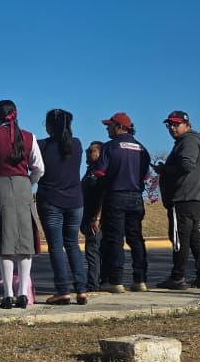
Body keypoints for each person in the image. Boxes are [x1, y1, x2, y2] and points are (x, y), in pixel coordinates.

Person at [0, 99, 45, 309]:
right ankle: (23, 293)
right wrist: (28, 182)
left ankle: (7, 295)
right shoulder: (29, 136)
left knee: (5, 243)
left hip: (1, 185)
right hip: (23, 185)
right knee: (25, 244)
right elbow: (39, 168)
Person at [93, 112, 151, 292]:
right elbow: (146, 176)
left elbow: (100, 172)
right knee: (136, 239)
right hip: (136, 198)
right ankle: (140, 280)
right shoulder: (142, 149)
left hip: (115, 196)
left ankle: (116, 281)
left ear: (119, 127)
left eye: (109, 126)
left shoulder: (110, 147)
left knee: (115, 239)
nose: (107, 129)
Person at [153, 111, 200, 290]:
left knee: (180, 238)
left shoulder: (188, 141)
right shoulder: (186, 141)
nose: (172, 128)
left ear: (187, 125)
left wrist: (165, 170)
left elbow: (187, 165)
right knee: (193, 238)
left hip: (185, 198)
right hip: (192, 198)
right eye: (169, 125)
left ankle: (178, 277)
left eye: (176, 124)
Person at [35, 109, 87, 305]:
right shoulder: (77, 144)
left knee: (56, 246)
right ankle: (82, 290)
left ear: (48, 126)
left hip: (51, 200)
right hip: (75, 202)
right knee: (72, 244)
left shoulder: (41, 146)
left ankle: (63, 291)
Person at [81, 141, 105, 293]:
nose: (88, 153)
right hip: (87, 216)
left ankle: (93, 284)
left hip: (95, 219)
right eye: (87, 150)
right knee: (93, 251)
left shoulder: (100, 171)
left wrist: (97, 217)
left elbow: (103, 196)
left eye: (92, 151)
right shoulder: (90, 171)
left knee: (93, 251)